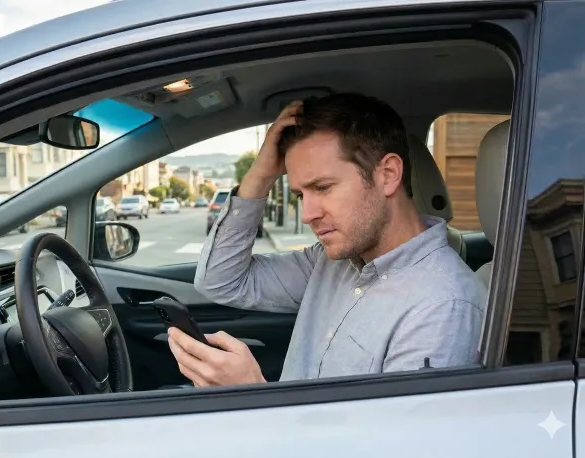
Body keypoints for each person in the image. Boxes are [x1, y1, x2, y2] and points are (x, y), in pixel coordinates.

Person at [168, 93, 487, 387]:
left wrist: (252, 394)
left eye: (322, 187)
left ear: (387, 175)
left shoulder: (443, 307)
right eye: (300, 194)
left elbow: (389, 445)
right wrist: (260, 176)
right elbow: (220, 281)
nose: (307, 214)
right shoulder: (331, 261)